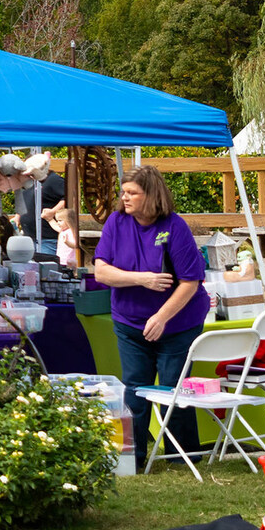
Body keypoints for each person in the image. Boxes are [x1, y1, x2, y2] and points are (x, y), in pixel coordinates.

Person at [91, 165, 208, 469]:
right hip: (130, 322)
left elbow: (190, 282)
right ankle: (134, 457)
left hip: (178, 323)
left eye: (132, 193)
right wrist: (142, 279)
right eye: (123, 192)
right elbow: (101, 271)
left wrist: (162, 317)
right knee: (135, 387)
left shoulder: (175, 226)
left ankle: (182, 457)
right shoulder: (116, 222)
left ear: (151, 195)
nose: (124, 198)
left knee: (172, 388)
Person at [46, 200, 81, 268]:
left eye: (60, 220)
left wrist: (67, 242)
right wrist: (49, 220)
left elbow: (75, 245)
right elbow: (55, 226)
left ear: (68, 221)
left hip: (69, 261)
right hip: (61, 259)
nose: (58, 223)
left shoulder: (70, 231)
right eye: (57, 220)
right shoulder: (63, 230)